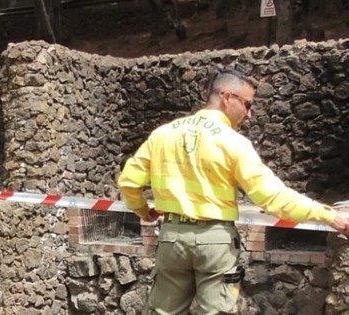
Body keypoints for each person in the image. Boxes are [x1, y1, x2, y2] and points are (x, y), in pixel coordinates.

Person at [117, 69, 349, 315]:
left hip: (171, 237)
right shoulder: (233, 143)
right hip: (216, 241)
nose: (249, 114)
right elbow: (272, 197)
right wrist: (330, 216)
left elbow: (129, 182)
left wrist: (144, 211)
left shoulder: (162, 135)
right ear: (227, 96)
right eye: (247, 104)